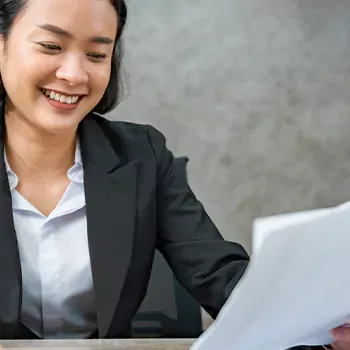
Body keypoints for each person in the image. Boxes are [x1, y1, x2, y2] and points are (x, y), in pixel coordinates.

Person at [0, 0, 347, 349]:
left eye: (96, 54)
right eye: (51, 46)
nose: (74, 74)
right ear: (2, 43)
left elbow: (219, 275)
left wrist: (322, 329)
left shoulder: (142, 157)